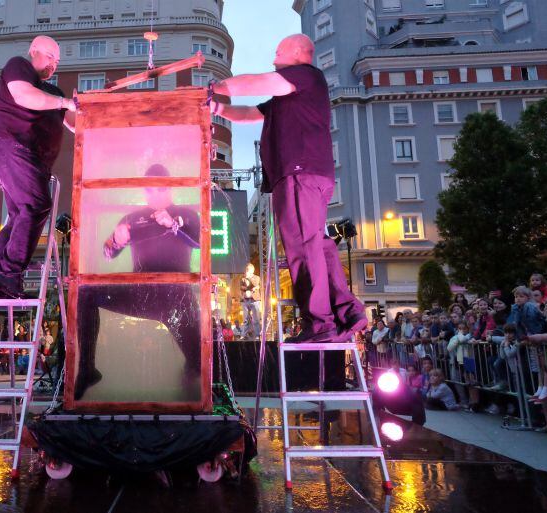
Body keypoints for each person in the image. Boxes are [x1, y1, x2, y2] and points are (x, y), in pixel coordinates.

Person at [210, 33, 365, 343]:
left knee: (302, 249)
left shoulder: (304, 76)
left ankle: (319, 324)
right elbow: (251, 113)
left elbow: (259, 82)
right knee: (318, 244)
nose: (273, 59)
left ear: (297, 53)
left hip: (298, 172)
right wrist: (219, 108)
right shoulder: (291, 96)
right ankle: (349, 311)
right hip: (312, 174)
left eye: (278, 52)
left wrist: (219, 86)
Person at [76, 164, 201, 400]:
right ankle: (86, 369)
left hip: (178, 300)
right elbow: (107, 253)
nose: (154, 196)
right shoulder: (132, 219)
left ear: (170, 188)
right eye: (149, 191)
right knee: (86, 292)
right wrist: (116, 240)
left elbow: (199, 243)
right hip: (141, 295)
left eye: (159, 190)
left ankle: (189, 377)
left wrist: (174, 225)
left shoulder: (186, 214)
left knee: (199, 363)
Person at [0, 36, 76, 299]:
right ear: (34, 51)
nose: (54, 64)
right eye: (50, 56)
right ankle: (7, 274)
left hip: (28, 161)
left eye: (57, 61)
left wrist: (85, 107)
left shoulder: (54, 94)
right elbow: (23, 95)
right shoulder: (19, 67)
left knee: (19, 217)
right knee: (37, 205)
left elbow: (74, 123)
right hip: (13, 149)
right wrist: (64, 103)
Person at [239, 263, 262, 338]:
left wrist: (250, 278)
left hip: (254, 301)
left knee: (256, 319)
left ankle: (257, 335)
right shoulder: (243, 278)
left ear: (252, 271)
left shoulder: (256, 278)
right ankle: (243, 335)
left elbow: (255, 284)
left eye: (247, 270)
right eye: (246, 270)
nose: (246, 272)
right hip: (245, 300)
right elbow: (242, 287)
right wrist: (247, 288)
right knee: (245, 319)